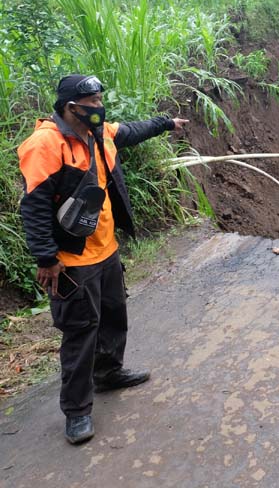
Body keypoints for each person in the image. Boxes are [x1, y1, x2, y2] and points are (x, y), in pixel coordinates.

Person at [17, 74, 189, 445]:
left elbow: (130, 131)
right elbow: (32, 207)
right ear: (70, 107)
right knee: (81, 332)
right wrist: (47, 258)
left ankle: (109, 372)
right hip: (72, 259)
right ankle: (77, 412)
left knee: (114, 314)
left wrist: (165, 123)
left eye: (99, 100)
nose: (99, 108)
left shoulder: (99, 132)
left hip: (106, 248)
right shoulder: (46, 144)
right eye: (91, 103)